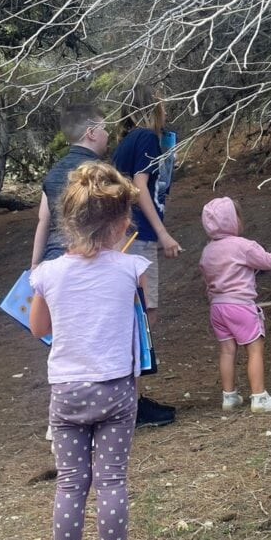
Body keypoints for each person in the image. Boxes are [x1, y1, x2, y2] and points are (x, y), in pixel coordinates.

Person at [29, 162, 152, 540]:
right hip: (116, 389)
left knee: (70, 483)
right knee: (112, 480)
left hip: (66, 391)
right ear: (122, 224)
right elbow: (135, 311)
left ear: (67, 220)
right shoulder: (131, 266)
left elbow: (37, 325)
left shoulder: (47, 273)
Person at [111, 86, 181, 427]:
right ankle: (129, 403)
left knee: (136, 315)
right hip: (138, 236)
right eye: (161, 104)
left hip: (129, 234)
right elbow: (139, 187)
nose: (166, 110)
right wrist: (163, 233)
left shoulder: (127, 141)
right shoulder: (146, 138)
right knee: (143, 315)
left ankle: (129, 398)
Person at [199, 196, 271, 413]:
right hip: (240, 305)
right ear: (233, 220)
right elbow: (268, 261)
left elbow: (207, 279)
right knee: (255, 349)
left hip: (217, 307)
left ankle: (229, 397)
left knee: (227, 351)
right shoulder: (242, 245)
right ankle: (259, 398)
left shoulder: (207, 251)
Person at [31, 104, 108, 268]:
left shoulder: (52, 173)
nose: (108, 134)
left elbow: (43, 220)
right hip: (91, 260)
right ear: (91, 133)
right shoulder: (102, 173)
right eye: (104, 128)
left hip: (53, 261)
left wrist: (35, 264)